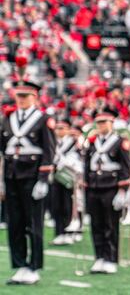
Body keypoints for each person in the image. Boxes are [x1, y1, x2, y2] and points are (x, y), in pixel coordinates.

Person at [1, 80, 55, 285]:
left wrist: (43, 179)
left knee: (33, 224)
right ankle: (20, 265)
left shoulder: (42, 119)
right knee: (15, 224)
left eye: (26, 96)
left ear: (35, 97)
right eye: (19, 96)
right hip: (12, 175)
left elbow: (49, 151)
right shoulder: (8, 118)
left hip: (32, 177)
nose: (21, 100)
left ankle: (34, 266)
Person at [83, 108, 130, 274]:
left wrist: (123, 191)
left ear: (112, 123)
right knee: (96, 224)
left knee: (110, 224)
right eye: (98, 123)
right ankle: (99, 257)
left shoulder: (120, 142)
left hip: (111, 187)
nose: (101, 125)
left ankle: (110, 258)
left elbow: (125, 167)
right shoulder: (92, 142)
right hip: (94, 187)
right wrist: (85, 184)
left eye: (104, 122)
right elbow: (86, 165)